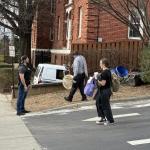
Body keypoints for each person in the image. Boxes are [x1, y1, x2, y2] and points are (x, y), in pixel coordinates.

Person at [95, 58, 114, 125]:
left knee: (105, 105)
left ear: (103, 64)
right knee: (98, 102)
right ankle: (102, 118)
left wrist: (96, 79)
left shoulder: (105, 72)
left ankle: (110, 120)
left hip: (105, 91)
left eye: (100, 63)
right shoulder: (107, 71)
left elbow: (103, 83)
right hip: (104, 91)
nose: (99, 64)